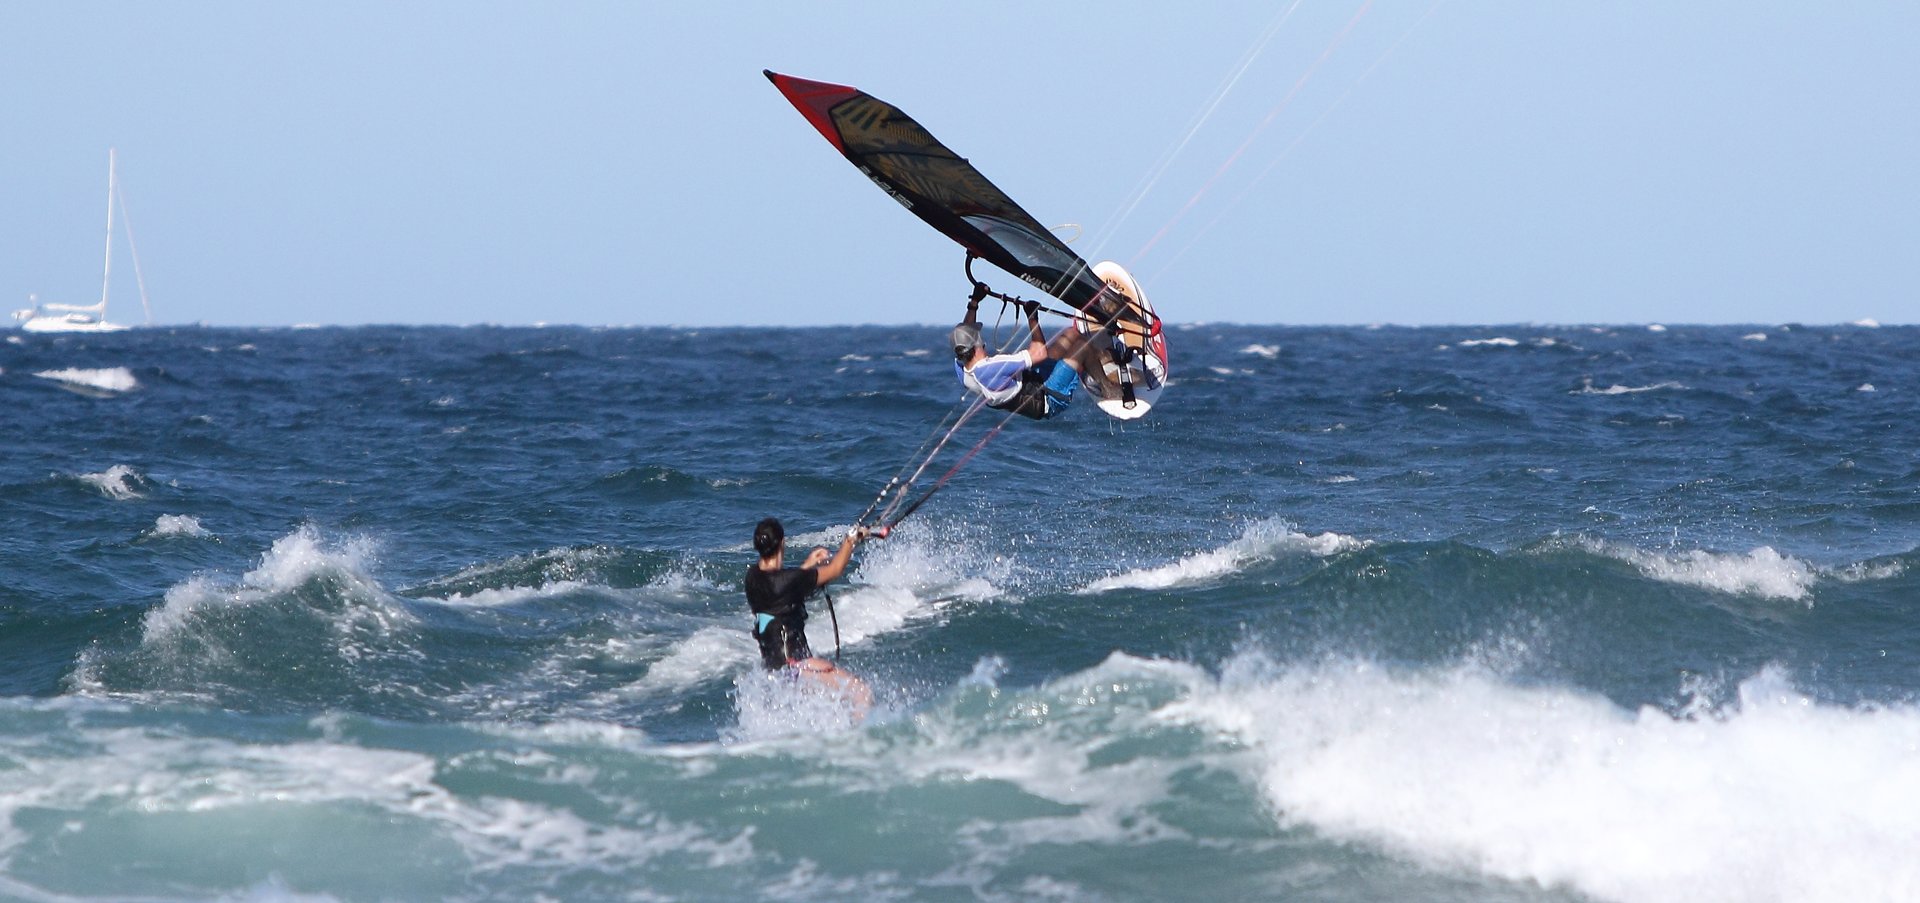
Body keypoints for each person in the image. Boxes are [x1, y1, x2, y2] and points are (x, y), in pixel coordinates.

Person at [744, 516, 873, 709]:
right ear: (782, 543)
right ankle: (857, 739)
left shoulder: (752, 578)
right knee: (861, 693)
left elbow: (783, 590)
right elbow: (835, 569)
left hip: (774, 668)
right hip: (798, 666)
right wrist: (850, 540)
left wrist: (807, 566)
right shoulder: (789, 581)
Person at [951, 296, 1113, 420]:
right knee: (1081, 347)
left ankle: (1097, 360)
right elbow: (1039, 352)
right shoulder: (993, 368)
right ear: (978, 343)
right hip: (1050, 399)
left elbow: (964, 334)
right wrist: (1032, 317)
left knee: (1071, 335)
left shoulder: (963, 371)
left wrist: (974, 302)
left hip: (1036, 380)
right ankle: (1109, 389)